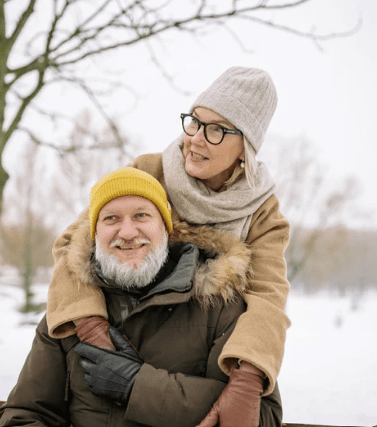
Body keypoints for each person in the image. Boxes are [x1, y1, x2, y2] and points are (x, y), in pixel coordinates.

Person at [47, 67, 291, 425]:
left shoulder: (262, 213)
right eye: (194, 121)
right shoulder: (150, 171)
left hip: (201, 350)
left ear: (246, 147)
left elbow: (268, 298)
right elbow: (73, 245)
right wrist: (91, 326)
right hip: (130, 331)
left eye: (217, 130)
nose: (195, 139)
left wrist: (247, 379)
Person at [0, 167, 283, 427]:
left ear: (166, 227)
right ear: (95, 233)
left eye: (141, 216)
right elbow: (25, 416)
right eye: (111, 219)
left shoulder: (220, 307)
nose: (127, 232)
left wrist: (137, 385)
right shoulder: (69, 313)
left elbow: (263, 417)